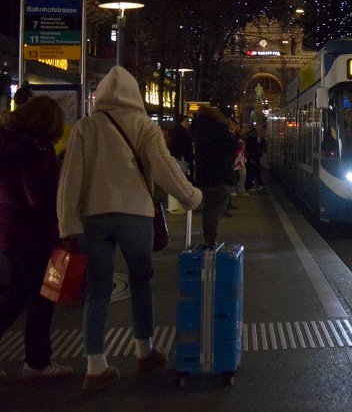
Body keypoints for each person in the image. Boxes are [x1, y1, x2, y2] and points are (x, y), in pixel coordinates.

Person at [57, 66, 203, 392]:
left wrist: (67, 222)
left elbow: (70, 180)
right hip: (135, 216)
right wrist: (191, 197)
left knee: (98, 290)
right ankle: (144, 351)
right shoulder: (144, 126)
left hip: (92, 218)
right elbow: (166, 170)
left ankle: (96, 367)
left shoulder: (86, 127)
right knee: (141, 282)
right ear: (135, 94)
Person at [0, 96, 74, 380]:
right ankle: (38, 363)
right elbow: (38, 197)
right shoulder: (35, 149)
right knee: (45, 297)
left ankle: (38, 361)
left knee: (16, 297)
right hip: (38, 236)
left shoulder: (8, 143)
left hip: (9, 234)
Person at [189, 103, 237, 242]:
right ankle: (210, 241)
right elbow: (231, 146)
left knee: (209, 209)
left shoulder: (201, 130)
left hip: (206, 176)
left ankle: (209, 240)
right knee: (214, 210)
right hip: (219, 175)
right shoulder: (218, 130)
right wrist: (231, 134)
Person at [166, 114, 193, 213]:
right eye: (187, 121)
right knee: (180, 181)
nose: (188, 124)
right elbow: (186, 147)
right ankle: (177, 206)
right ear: (182, 122)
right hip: (181, 159)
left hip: (177, 158)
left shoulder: (175, 131)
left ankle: (175, 205)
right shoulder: (183, 132)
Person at [244, 126, 266, 192]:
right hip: (254, 158)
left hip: (254, 158)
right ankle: (253, 186)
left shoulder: (250, 138)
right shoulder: (252, 139)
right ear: (253, 132)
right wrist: (253, 158)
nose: (257, 132)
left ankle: (255, 185)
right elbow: (253, 149)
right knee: (254, 172)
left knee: (254, 172)